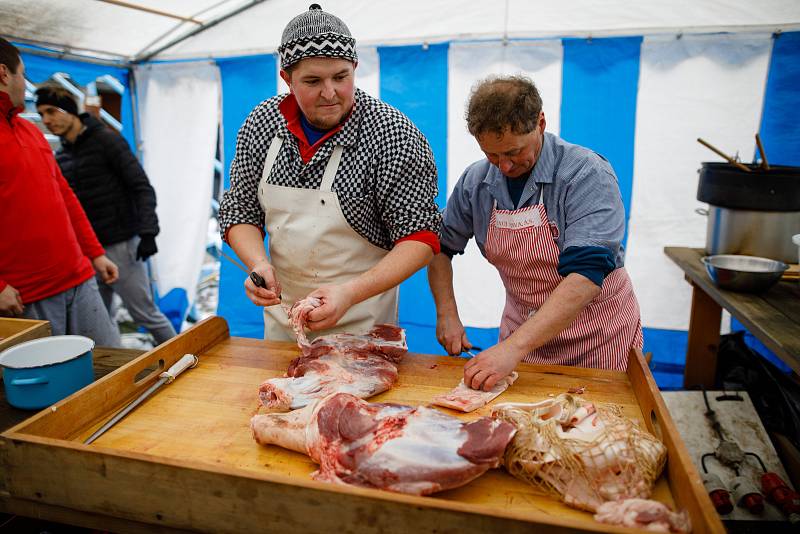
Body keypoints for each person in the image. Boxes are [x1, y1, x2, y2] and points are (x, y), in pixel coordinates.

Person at [218, 4, 441, 341]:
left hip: (364, 325)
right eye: (312, 81)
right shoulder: (261, 124)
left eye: (340, 77)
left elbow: (420, 237)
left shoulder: (392, 134)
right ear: (287, 79)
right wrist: (257, 264)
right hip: (284, 324)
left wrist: (350, 293)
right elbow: (240, 210)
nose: (329, 93)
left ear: (354, 67)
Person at [429, 75, 643, 391]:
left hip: (597, 335)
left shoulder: (585, 174)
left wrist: (513, 348)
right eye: (492, 154)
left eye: (514, 152)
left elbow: (585, 277)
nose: (503, 166)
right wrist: (447, 313)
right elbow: (439, 248)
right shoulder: (476, 182)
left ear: (540, 123)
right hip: (522, 330)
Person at [0, 37, 120, 346]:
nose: (24, 83)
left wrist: (94, 253)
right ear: (4, 74)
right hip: (28, 295)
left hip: (78, 278)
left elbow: (64, 197)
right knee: (56, 389)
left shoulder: (29, 130)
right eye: (22, 74)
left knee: (113, 367)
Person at [34, 86, 177, 345]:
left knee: (145, 314)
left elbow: (141, 186)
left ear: (69, 110)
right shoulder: (61, 156)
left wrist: (147, 233)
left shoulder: (107, 140)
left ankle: (190, 358)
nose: (46, 120)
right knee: (97, 322)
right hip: (89, 254)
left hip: (122, 245)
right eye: (41, 114)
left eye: (51, 111)